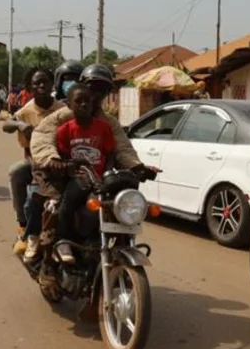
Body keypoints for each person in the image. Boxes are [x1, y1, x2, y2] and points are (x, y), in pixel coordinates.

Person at [27, 64, 160, 259]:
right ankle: (52, 249)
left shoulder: (108, 123)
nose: (97, 94)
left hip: (98, 180)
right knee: (56, 207)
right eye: (93, 87)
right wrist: (51, 158)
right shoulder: (63, 117)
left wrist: (137, 167)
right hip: (66, 176)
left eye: (102, 89)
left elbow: (122, 147)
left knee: (119, 204)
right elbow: (42, 136)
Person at [49, 83, 116, 263]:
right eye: (78, 101)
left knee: (103, 207)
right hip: (78, 178)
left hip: (99, 180)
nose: (84, 105)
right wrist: (70, 168)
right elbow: (63, 158)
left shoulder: (104, 127)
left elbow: (110, 154)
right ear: (69, 105)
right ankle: (62, 241)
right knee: (68, 202)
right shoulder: (65, 130)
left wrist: (108, 174)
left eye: (87, 101)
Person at [6, 67, 65, 256]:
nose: (41, 86)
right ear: (30, 88)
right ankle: (23, 225)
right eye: (36, 83)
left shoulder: (64, 110)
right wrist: (19, 124)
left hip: (63, 162)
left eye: (44, 82)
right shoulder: (25, 112)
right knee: (16, 173)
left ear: (52, 84)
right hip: (35, 163)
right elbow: (6, 124)